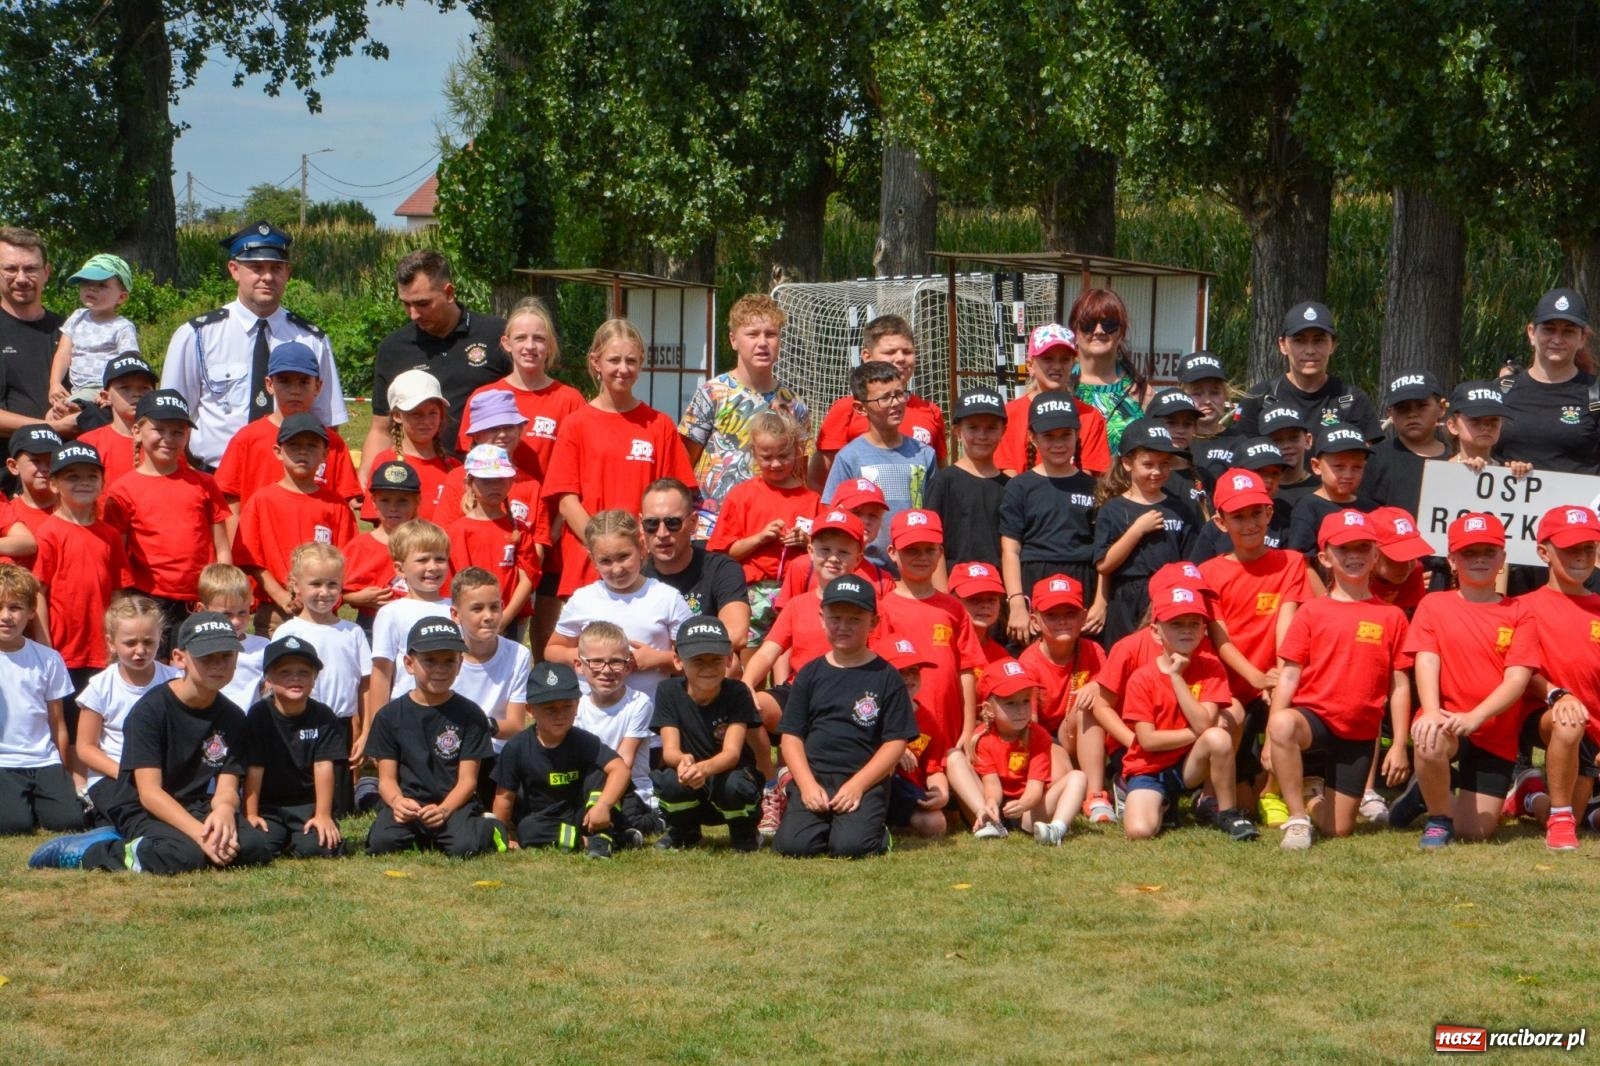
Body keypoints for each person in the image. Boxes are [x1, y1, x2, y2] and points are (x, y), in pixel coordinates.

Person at [31, 611, 277, 874]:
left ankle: (180, 841)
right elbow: (149, 792)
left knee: (254, 847)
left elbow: (227, 785)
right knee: (182, 856)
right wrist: (200, 834)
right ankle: (95, 850)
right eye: (206, 657)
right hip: (140, 806)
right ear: (181, 659)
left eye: (226, 656)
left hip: (193, 802)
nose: (218, 665)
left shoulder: (233, 717)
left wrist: (225, 811)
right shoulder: (150, 711)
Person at [1268, 510, 1412, 850]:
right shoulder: (1311, 612)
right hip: (1314, 717)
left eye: (1363, 548)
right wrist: (1274, 727)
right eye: (1343, 549)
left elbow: (1400, 685)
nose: (1354, 556)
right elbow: (1289, 676)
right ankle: (1297, 818)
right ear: (1324, 558)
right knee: (1284, 725)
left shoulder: (1391, 616)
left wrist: (1401, 745)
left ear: (1376, 554)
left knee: (1339, 829)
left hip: (1359, 731)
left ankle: (1313, 800)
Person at [1399, 513, 1537, 848]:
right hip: (1448, 722)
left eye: (1488, 552)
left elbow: (1517, 679)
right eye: (1469, 553)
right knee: (1429, 740)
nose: (1479, 560)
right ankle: (1437, 817)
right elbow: (1427, 659)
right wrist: (1431, 712)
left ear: (1502, 558)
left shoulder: (1520, 611)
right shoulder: (1434, 604)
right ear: (1452, 559)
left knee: (1475, 833)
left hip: (1494, 732)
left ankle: (1427, 790)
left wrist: (1476, 717)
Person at [160, 221, 345, 471]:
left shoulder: (312, 340)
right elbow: (171, 416)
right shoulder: (197, 336)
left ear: (287, 273)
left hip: (288, 480)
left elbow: (327, 422)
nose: (267, 277)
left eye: (276, 268)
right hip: (214, 478)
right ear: (234, 270)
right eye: (256, 267)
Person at [541, 319, 696, 597]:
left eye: (631, 360)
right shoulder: (576, 424)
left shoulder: (658, 425)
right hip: (592, 562)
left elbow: (675, 496)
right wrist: (605, 547)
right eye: (614, 360)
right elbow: (566, 501)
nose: (623, 369)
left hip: (644, 561)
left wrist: (642, 545)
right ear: (596, 362)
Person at [772, 575, 919, 858]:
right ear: (821, 618)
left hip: (862, 780)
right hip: (815, 778)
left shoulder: (887, 677)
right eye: (835, 618)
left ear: (873, 623)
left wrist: (858, 785)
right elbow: (791, 736)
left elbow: (895, 742)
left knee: (851, 847)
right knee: (793, 847)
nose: (843, 626)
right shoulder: (809, 674)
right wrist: (805, 784)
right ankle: (819, 822)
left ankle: (876, 830)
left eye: (854, 620)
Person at [1199, 468, 1316, 816]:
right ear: (1220, 522)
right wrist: (1255, 678)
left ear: (1269, 513)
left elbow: (1288, 624)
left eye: (1256, 513)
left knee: (1289, 711)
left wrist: (1277, 677)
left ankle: (1275, 789)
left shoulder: (1291, 562)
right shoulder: (1209, 572)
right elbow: (1220, 639)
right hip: (1230, 683)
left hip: (1274, 674)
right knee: (1228, 720)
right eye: (1238, 516)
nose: (1249, 524)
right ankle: (1213, 796)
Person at [1119, 583, 1257, 841]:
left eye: (1194, 623)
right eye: (1176, 624)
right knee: (1139, 831)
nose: (1186, 630)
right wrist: (1195, 733)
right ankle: (1164, 803)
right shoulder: (1141, 678)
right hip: (1150, 767)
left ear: (1205, 630)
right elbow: (1148, 740)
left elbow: (1205, 725)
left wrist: (1176, 678)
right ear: (1156, 631)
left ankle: (1228, 812)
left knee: (1218, 737)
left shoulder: (1211, 667)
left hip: (1190, 764)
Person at [363, 249, 510, 482]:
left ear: (449, 292)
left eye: (422, 304)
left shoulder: (497, 336)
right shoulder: (393, 348)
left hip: (485, 480)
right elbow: (381, 429)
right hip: (417, 485)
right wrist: (367, 481)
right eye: (406, 304)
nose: (413, 314)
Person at [102, 390, 230, 651]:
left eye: (178, 432)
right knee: (152, 670)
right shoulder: (122, 489)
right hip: (148, 600)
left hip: (199, 599)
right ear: (138, 431)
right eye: (159, 429)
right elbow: (119, 556)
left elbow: (223, 548)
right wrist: (125, 602)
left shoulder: (204, 483)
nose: (168, 439)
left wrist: (221, 594)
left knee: (196, 668)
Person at [364, 618, 501, 858]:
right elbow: (385, 779)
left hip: (453, 803)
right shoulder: (389, 715)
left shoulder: (471, 715)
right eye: (429, 661)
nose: (440, 669)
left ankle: (487, 825)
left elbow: (468, 781)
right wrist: (397, 802)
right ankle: (420, 834)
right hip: (409, 803)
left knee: (464, 847)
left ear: (459, 665)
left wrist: (445, 810)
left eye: (449, 661)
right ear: (409, 663)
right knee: (381, 843)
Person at [680, 293, 809, 540]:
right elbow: (684, 461)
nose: (762, 343)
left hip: (769, 530)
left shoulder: (795, 405)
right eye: (752, 334)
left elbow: (800, 473)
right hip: (712, 529)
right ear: (733, 340)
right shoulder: (713, 393)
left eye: (770, 334)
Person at [1508, 505, 1600, 851]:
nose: (1580, 556)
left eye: (1588, 548)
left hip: (1592, 722)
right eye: (1570, 548)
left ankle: (1532, 798)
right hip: (1546, 713)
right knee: (1568, 723)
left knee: (1579, 820)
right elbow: (1521, 669)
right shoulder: (1522, 606)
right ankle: (1560, 816)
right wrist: (1556, 694)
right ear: (1543, 552)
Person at [32, 442, 131, 755]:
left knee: (99, 723)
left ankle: (92, 786)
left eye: (91, 475)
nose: (84, 482)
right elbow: (39, 593)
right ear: (54, 484)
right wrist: (46, 648)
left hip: (102, 649)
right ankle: (68, 786)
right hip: (63, 649)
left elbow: (118, 593)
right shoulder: (50, 531)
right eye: (72, 476)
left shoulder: (110, 535)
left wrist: (118, 640)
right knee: (65, 724)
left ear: (103, 481)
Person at [491, 661, 637, 857]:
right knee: (528, 830)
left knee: (602, 773)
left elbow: (621, 769)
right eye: (550, 708)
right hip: (544, 819)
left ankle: (604, 832)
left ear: (577, 706)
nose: (559, 715)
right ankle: (594, 841)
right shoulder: (516, 747)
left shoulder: (585, 741)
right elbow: (504, 798)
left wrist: (603, 805)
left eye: (567, 706)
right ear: (530, 710)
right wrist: (504, 834)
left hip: (584, 814)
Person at [545, 510, 692, 705]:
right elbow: (552, 650)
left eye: (623, 557)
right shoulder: (583, 599)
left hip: (650, 714)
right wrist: (591, 658)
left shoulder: (666, 598)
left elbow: (694, 657)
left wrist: (657, 660)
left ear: (641, 548)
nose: (616, 569)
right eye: (605, 561)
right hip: (592, 717)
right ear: (592, 559)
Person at [231, 413, 357, 625]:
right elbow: (249, 559)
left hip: (323, 610)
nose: (302, 451)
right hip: (276, 612)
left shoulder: (336, 505)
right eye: (294, 444)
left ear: (325, 454)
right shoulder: (262, 500)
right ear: (278, 452)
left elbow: (347, 558)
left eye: (312, 445)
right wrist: (280, 595)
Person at [650, 616, 764, 851]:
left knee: (737, 785)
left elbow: (732, 753)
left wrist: (702, 769)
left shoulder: (738, 692)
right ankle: (684, 832)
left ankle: (744, 833)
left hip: (727, 780)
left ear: (730, 659)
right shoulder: (668, 691)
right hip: (691, 780)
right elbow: (670, 749)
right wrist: (683, 762)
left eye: (715, 660)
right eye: (698, 660)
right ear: (678, 661)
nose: (708, 668)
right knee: (669, 781)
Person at [274, 542, 371, 813]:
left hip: (340, 725)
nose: (324, 592)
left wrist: (365, 730)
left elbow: (365, 685)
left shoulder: (352, 632)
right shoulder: (288, 632)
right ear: (296, 585)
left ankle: (359, 792)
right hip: (298, 721)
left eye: (332, 584)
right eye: (315, 584)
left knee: (339, 805)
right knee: (300, 796)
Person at [706, 411, 817, 647]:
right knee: (748, 653)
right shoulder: (742, 495)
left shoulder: (811, 499)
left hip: (795, 591)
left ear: (797, 451)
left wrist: (805, 540)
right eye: (766, 457)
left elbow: (824, 552)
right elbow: (724, 553)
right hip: (751, 591)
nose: (776, 464)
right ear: (754, 454)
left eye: (784, 455)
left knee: (789, 653)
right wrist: (759, 538)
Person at [1000, 392, 1101, 643]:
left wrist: (1101, 602)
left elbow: (1104, 554)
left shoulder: (1094, 487)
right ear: (1033, 438)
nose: (1058, 443)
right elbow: (1010, 550)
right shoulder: (1019, 486)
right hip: (1035, 576)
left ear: (1078, 434)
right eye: (1048, 436)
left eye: (1065, 435)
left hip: (1082, 577)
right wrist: (1016, 603)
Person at [214, 340, 361, 510]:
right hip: (259, 535)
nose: (295, 390)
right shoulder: (247, 439)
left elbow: (343, 505)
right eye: (284, 381)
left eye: (304, 382)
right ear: (270, 385)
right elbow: (230, 501)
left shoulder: (332, 443)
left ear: (318, 386)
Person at [1092, 420, 1199, 648]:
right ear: (1128, 463)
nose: (1157, 472)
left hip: (1168, 597)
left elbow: (1189, 564)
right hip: (1125, 599)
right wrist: (1137, 530)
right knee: (1124, 658)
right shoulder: (1113, 509)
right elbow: (1103, 565)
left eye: (1164, 464)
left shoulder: (1179, 509)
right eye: (1148, 464)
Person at [75, 596, 181, 822]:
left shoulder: (175, 681)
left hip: (161, 774)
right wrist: (123, 772)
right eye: (130, 643)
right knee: (137, 815)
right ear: (111, 643)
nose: (140, 650)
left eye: (148, 642)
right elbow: (85, 748)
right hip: (112, 775)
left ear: (160, 639)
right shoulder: (100, 687)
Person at [821, 360, 938, 563]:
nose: (895, 403)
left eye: (899, 394)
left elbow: (934, 515)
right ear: (861, 408)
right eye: (884, 398)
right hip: (866, 568)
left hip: (914, 566)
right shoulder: (849, 457)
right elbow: (832, 515)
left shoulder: (925, 454)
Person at [455, 296, 583, 480]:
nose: (529, 346)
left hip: (550, 507)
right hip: (494, 504)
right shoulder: (484, 396)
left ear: (550, 345)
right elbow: (467, 463)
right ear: (507, 343)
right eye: (521, 338)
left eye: (538, 338)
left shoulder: (570, 400)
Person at [811, 314, 946, 489]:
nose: (900, 358)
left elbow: (940, 480)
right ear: (867, 356)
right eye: (890, 352)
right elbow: (819, 480)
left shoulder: (930, 411)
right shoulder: (845, 409)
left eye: (907, 351)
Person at [243, 635, 347, 858]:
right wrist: (250, 814)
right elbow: (254, 768)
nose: (295, 679)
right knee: (256, 847)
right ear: (268, 679)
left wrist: (323, 814)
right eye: (285, 673)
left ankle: (299, 837)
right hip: (269, 805)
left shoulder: (323, 716)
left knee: (319, 847)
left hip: (307, 803)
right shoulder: (259, 715)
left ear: (314, 678)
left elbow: (323, 767)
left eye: (303, 673)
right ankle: (282, 837)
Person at [965, 658, 1088, 845]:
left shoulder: (1039, 736)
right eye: (1011, 704)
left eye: (1025, 701)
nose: (1021, 710)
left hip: (1029, 810)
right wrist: (991, 802)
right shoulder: (981, 737)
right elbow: (992, 784)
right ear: (989, 709)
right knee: (954, 758)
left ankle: (1056, 829)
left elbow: (1035, 787)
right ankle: (991, 822)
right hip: (998, 809)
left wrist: (1023, 804)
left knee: (1078, 777)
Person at [0, 564, 83, 835]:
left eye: (15, 608)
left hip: (42, 759)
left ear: (31, 612)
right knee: (13, 825)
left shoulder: (48, 659)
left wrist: (63, 770)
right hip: (4, 761)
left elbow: (57, 722)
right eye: (0, 607)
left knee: (69, 821)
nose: (6, 616)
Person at [1016, 575, 1108, 812]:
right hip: (1047, 738)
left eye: (1070, 614)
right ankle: (1076, 779)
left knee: (1090, 702)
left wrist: (1096, 687)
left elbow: (1108, 703)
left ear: (1084, 617)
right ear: (1035, 621)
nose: (1062, 622)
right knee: (1061, 780)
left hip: (1081, 729)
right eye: (1052, 615)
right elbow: (1030, 726)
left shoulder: (1094, 650)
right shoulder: (1029, 661)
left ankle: (1096, 797)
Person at [365, 519, 454, 751]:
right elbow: (382, 672)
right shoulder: (390, 613)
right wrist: (377, 725)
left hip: (452, 711)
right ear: (400, 568)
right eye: (422, 560)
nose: (432, 567)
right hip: (405, 712)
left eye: (440, 559)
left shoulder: (456, 609)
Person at [1236, 301, 1381, 440]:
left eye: (1318, 340)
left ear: (1333, 345)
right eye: (1299, 341)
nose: (1310, 351)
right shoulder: (1259, 398)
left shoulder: (1353, 401)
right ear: (1282, 345)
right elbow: (1241, 456)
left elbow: (1366, 462)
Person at [449, 567, 530, 808]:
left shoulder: (518, 654)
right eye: (477, 608)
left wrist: (477, 727)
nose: (489, 616)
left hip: (495, 750)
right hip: (451, 748)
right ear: (455, 614)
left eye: (495, 607)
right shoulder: (444, 655)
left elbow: (516, 725)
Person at [1496, 287, 1600, 475]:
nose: (1557, 339)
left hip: (1577, 503)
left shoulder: (1596, 393)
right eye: (1549, 329)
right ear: (1531, 333)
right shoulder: (1500, 391)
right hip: (1507, 502)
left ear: (1582, 338)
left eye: (1568, 332)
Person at [640, 478, 751, 651]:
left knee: (731, 668)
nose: (662, 533)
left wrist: (667, 660)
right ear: (641, 525)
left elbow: (735, 635)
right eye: (651, 524)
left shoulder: (720, 568)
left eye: (673, 523)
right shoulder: (631, 572)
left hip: (701, 669)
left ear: (693, 522)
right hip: (644, 672)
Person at [993, 325, 1112, 478]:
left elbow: (1088, 478)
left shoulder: (1090, 416)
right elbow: (1007, 473)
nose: (1057, 366)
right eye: (1047, 358)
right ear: (1030, 366)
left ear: (1073, 364)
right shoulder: (1008, 414)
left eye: (1065, 360)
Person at [444, 444, 541, 633]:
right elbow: (463, 581)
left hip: (510, 619)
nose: (495, 486)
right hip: (471, 621)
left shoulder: (519, 529)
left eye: (501, 479)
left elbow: (528, 578)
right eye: (486, 480)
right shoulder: (459, 530)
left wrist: (505, 618)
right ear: (469, 483)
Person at [573, 621, 659, 830]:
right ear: (579, 666)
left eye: (616, 662)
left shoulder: (639, 703)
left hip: (630, 786)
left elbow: (625, 760)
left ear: (628, 666)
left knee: (625, 819)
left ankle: (657, 818)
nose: (606, 670)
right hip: (589, 784)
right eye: (596, 662)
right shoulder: (577, 706)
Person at [0, 228, 75, 448]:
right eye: (10, 269)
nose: (21, 278)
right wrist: (50, 428)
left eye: (31, 269)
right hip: (9, 471)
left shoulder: (70, 330)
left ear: (47, 272)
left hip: (68, 467)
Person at [359, 369, 460, 523]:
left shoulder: (454, 468)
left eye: (432, 413)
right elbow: (380, 527)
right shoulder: (386, 464)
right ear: (397, 416)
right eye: (416, 414)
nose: (426, 421)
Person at [927, 387, 1010, 568]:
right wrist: (942, 595)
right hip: (956, 588)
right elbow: (932, 542)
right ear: (957, 431)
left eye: (991, 428)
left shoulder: (1010, 487)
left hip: (996, 591)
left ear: (1003, 431)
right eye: (973, 427)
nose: (982, 435)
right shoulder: (943, 482)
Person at [49, 253, 138, 410]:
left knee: (66, 411)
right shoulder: (77, 317)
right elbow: (63, 353)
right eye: (86, 282)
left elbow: (129, 363)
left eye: (102, 285)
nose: (91, 288)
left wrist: (113, 392)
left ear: (122, 297)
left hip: (104, 386)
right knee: (56, 411)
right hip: (78, 390)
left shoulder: (122, 326)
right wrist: (55, 383)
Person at [342, 460, 421, 634]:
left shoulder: (425, 542)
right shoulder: (360, 546)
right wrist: (360, 598)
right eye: (385, 500)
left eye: (402, 501)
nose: (393, 508)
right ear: (374, 502)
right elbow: (339, 593)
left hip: (416, 622)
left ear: (417, 501)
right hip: (372, 624)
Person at [1068, 288, 1149, 453]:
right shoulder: (1059, 388)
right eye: (1088, 324)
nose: (1099, 331)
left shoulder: (1141, 394)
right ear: (1074, 330)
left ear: (1121, 332)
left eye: (1109, 324)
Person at [1285, 424, 1376, 562]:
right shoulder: (1308, 508)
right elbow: (1301, 562)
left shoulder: (1371, 509)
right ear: (1316, 466)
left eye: (1357, 467)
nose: (1348, 474)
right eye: (1339, 466)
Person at [1363, 371, 1449, 514]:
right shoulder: (1373, 458)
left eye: (1422, 405)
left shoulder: (1457, 461)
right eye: (1402, 408)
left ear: (1441, 408)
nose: (1412, 414)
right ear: (1390, 414)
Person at [197, 563, 270, 712]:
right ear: (202, 610)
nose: (236, 621)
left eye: (243, 613)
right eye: (227, 615)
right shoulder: (196, 647)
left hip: (249, 725)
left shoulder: (263, 647)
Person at [77, 353, 158, 487]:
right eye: (125, 387)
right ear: (105, 396)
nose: (136, 394)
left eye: (144, 388)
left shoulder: (166, 441)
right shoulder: (89, 444)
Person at [1, 424, 62, 566]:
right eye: (35, 461)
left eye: (52, 461)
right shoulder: (8, 515)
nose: (45, 468)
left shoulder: (79, 509)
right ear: (13, 466)